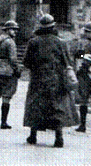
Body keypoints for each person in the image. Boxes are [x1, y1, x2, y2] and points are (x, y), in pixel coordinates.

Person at [22, 14, 79, 148]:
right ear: (53, 27)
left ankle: (33, 135)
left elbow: (26, 62)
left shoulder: (33, 42)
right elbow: (68, 61)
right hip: (56, 79)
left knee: (35, 105)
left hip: (38, 79)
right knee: (57, 107)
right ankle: (59, 137)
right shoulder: (61, 42)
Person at [0, 20, 22, 129]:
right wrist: (17, 70)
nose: (15, 32)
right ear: (7, 30)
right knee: (6, 96)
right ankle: (3, 122)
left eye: (16, 30)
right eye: (13, 29)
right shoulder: (10, 42)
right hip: (7, 72)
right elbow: (13, 59)